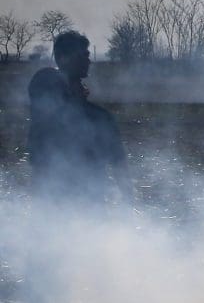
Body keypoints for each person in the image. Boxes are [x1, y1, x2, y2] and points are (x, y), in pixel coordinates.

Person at [28, 29, 129, 203]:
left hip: (91, 204)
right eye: (82, 55)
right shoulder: (47, 101)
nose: (88, 60)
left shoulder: (99, 118)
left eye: (88, 55)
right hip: (53, 202)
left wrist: (128, 200)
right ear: (62, 58)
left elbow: (119, 163)